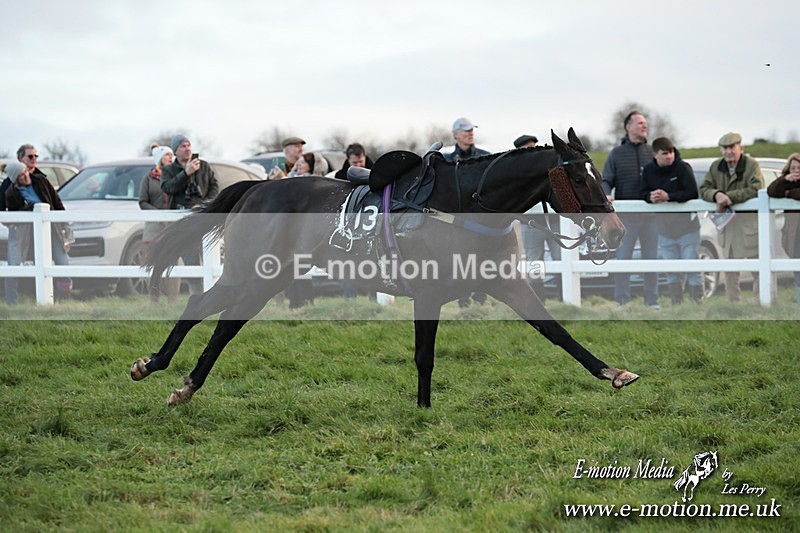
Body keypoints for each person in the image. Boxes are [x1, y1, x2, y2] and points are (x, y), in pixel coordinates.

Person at [602, 111, 659, 308]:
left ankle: (652, 302)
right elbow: (606, 180)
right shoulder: (616, 154)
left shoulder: (653, 152)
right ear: (629, 127)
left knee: (651, 259)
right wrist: (607, 193)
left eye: (646, 123)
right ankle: (622, 302)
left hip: (651, 217)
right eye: (640, 123)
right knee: (623, 258)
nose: (645, 126)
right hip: (626, 218)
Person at [699, 132, 764, 302]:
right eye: (725, 148)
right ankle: (733, 304)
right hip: (727, 227)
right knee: (730, 268)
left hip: (749, 226)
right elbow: (704, 188)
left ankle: (762, 301)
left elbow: (757, 188)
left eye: (732, 147)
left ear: (740, 148)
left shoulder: (752, 165)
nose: (728, 151)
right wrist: (717, 195)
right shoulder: (716, 167)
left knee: (758, 266)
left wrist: (730, 197)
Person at [641, 137, 703, 305]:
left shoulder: (683, 167)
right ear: (655, 155)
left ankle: (697, 303)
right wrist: (650, 197)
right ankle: (677, 305)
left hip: (688, 229)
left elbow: (692, 193)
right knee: (671, 271)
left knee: (692, 268)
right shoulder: (648, 171)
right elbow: (642, 192)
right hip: (664, 230)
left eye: (672, 152)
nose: (669, 156)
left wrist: (669, 197)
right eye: (665, 153)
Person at [4, 159, 72, 303]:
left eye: (26, 172)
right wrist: (25, 211)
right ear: (16, 180)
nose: (26, 176)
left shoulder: (41, 181)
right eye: (21, 175)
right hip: (27, 232)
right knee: (17, 263)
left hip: (51, 228)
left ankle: (64, 299)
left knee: (62, 260)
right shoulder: (11, 193)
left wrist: (65, 222)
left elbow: (56, 201)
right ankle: (12, 301)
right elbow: (11, 216)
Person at [161, 134, 219, 294]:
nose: (187, 149)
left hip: (204, 218)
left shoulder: (204, 166)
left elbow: (214, 187)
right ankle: (197, 296)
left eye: (188, 145)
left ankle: (214, 296)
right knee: (191, 259)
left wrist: (205, 204)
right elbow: (167, 188)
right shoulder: (169, 170)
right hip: (183, 221)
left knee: (211, 256)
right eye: (182, 146)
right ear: (175, 151)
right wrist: (185, 173)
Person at [515, 133, 560, 299]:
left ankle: (561, 298)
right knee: (534, 264)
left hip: (553, 222)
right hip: (531, 224)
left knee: (560, 259)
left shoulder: (548, 169)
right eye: (528, 148)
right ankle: (539, 301)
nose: (532, 151)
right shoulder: (516, 174)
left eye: (534, 147)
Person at [139, 144, 180, 303]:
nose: (170, 158)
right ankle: (154, 299)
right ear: (159, 159)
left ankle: (173, 300)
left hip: (172, 227)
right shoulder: (148, 178)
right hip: (154, 228)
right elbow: (143, 202)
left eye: (171, 155)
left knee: (174, 263)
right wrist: (159, 215)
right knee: (154, 263)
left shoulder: (177, 176)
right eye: (167, 155)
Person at [766, 152, 800, 304]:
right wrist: (784, 179)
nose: (796, 170)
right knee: (797, 269)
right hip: (793, 233)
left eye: (799, 168)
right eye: (793, 168)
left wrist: (788, 193)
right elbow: (771, 191)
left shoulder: (790, 189)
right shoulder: (786, 182)